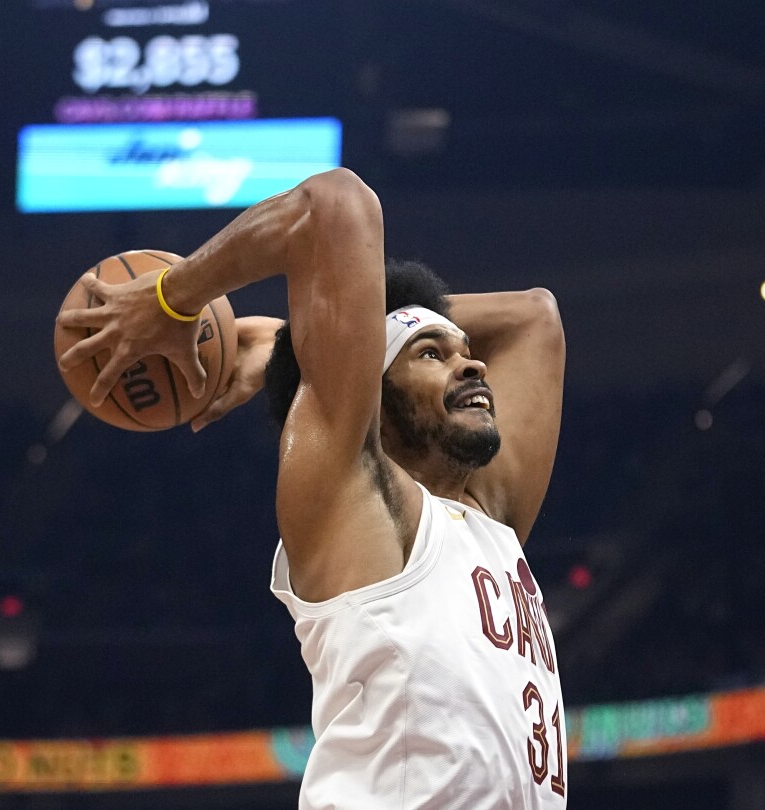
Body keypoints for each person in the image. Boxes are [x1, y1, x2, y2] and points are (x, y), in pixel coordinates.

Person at [55, 168, 569, 808]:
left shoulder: (488, 519)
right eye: (431, 354)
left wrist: (293, 339)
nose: (473, 363)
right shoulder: (359, 498)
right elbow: (334, 204)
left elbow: (534, 317)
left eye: (463, 350)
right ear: (372, 400)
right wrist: (172, 299)